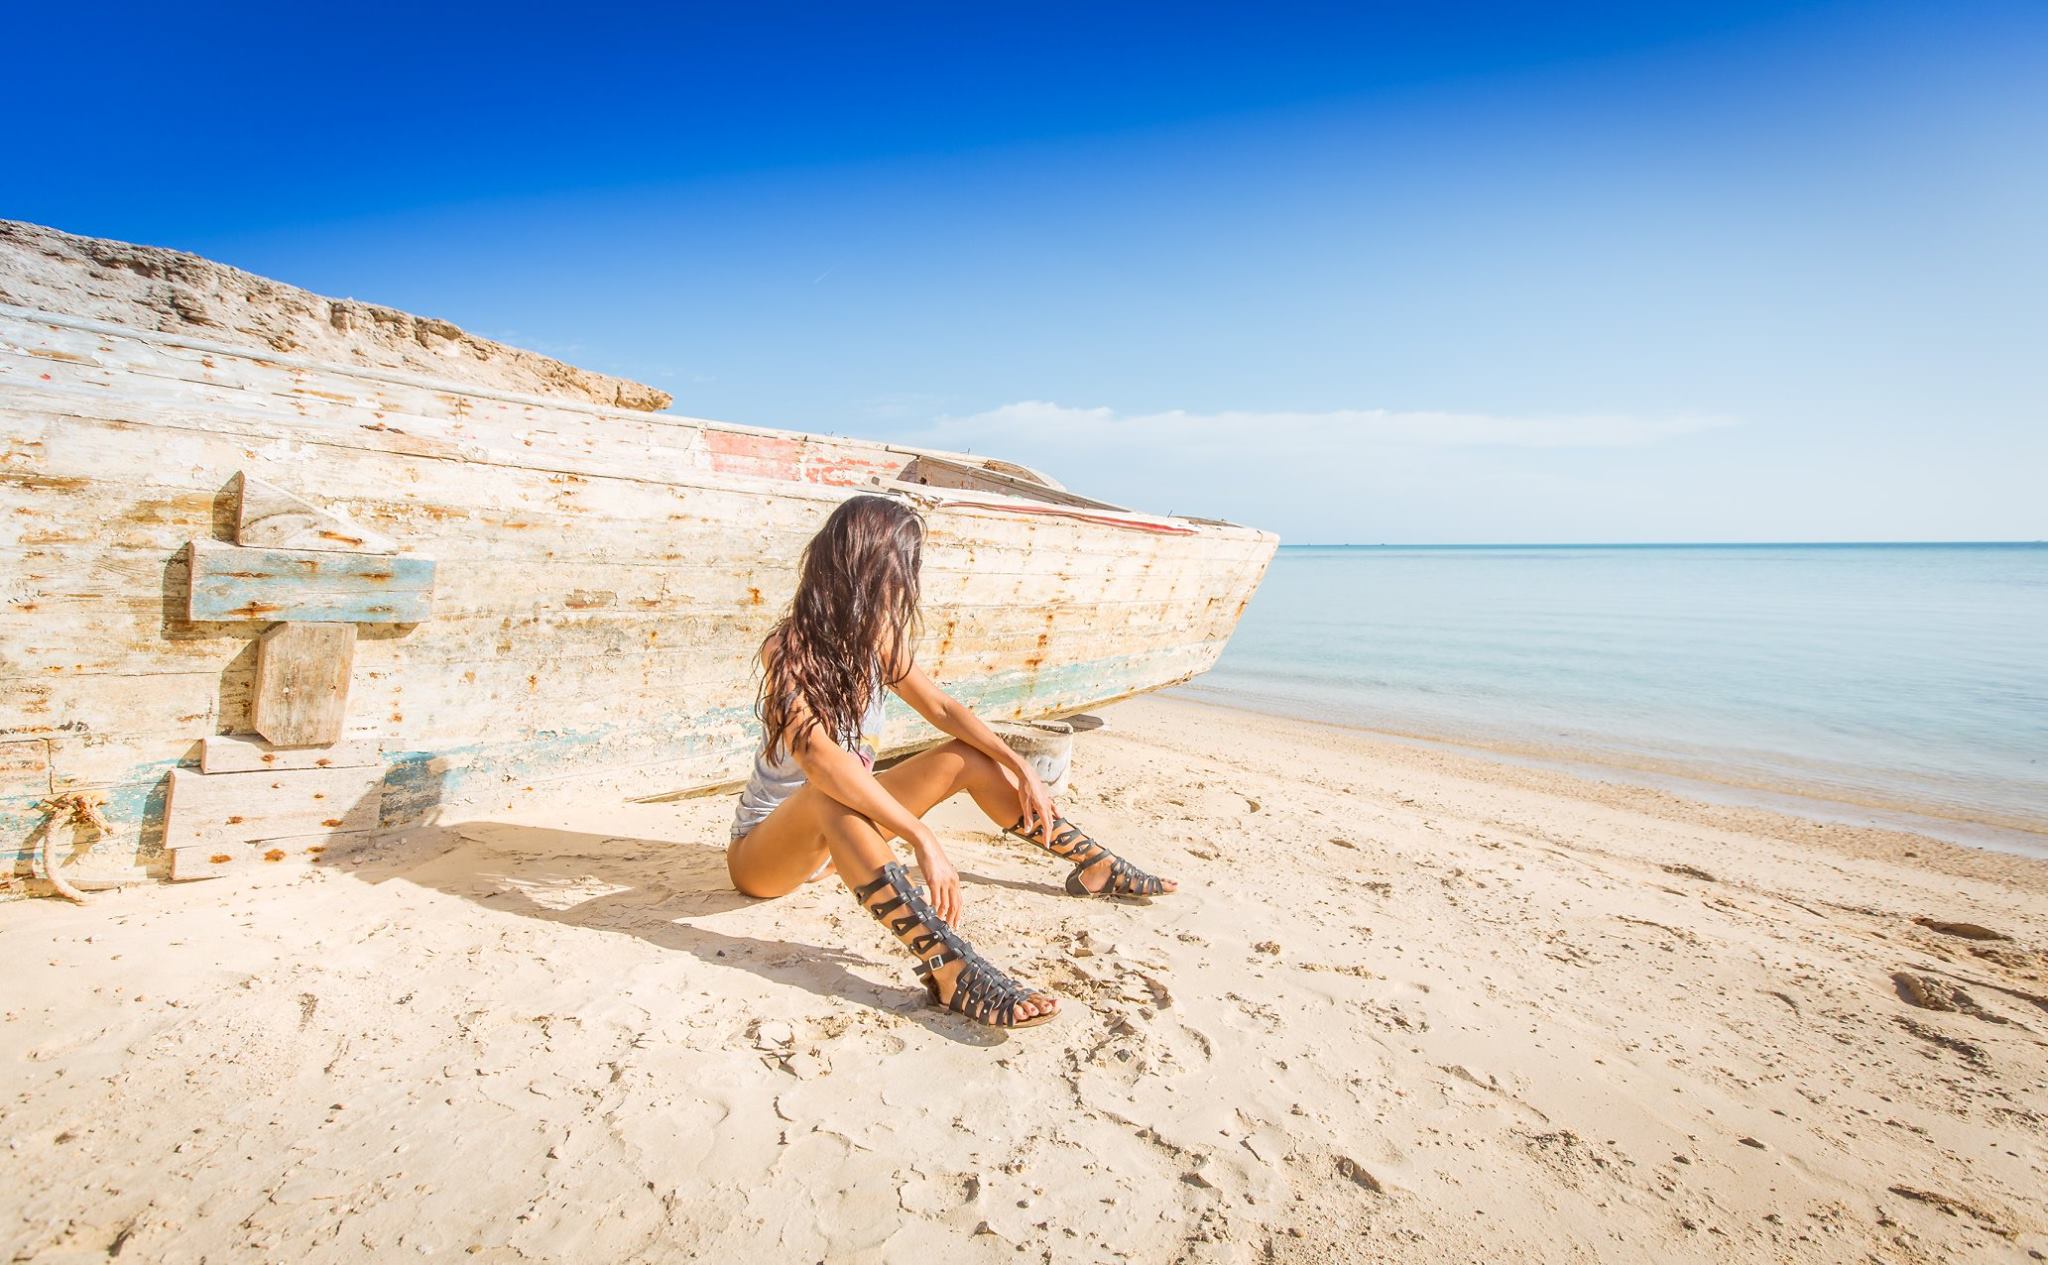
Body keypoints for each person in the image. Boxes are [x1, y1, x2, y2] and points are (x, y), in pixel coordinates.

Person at [725, 494, 1176, 1029]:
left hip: (844, 840)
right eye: (901, 570)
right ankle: (950, 968)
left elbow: (941, 707)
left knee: (965, 758)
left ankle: (1094, 864)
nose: (905, 585)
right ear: (865, 568)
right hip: (766, 858)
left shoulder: (876, 639)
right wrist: (921, 836)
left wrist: (1019, 765)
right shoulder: (789, 646)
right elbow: (820, 762)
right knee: (828, 793)